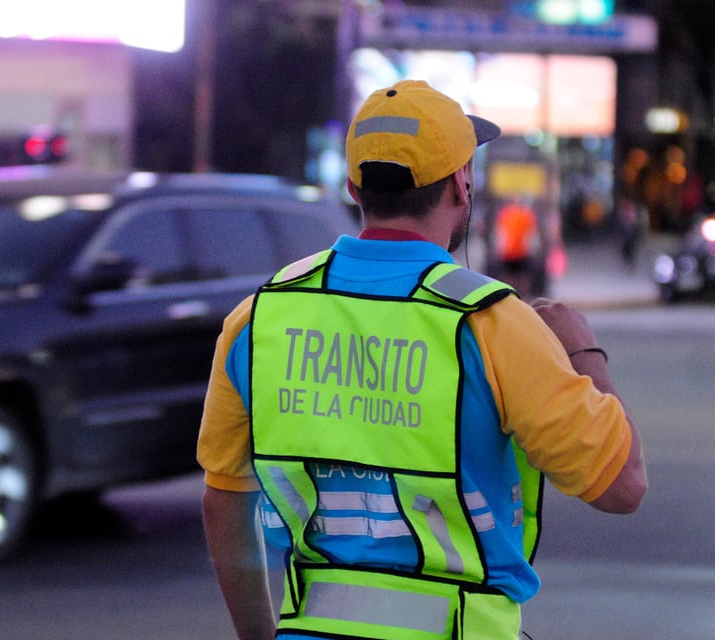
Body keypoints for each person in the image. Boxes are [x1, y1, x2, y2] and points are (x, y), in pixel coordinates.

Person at [197, 80, 647, 640]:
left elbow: (225, 504)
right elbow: (622, 487)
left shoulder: (256, 320)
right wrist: (583, 350)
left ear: (352, 187)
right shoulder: (493, 325)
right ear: (462, 184)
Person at [493, 196, 539, 297]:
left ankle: (510, 296)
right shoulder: (527, 213)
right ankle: (522, 296)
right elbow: (532, 233)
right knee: (523, 275)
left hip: (509, 250)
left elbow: (500, 233)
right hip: (521, 250)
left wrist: (499, 247)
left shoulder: (505, 213)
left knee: (510, 275)